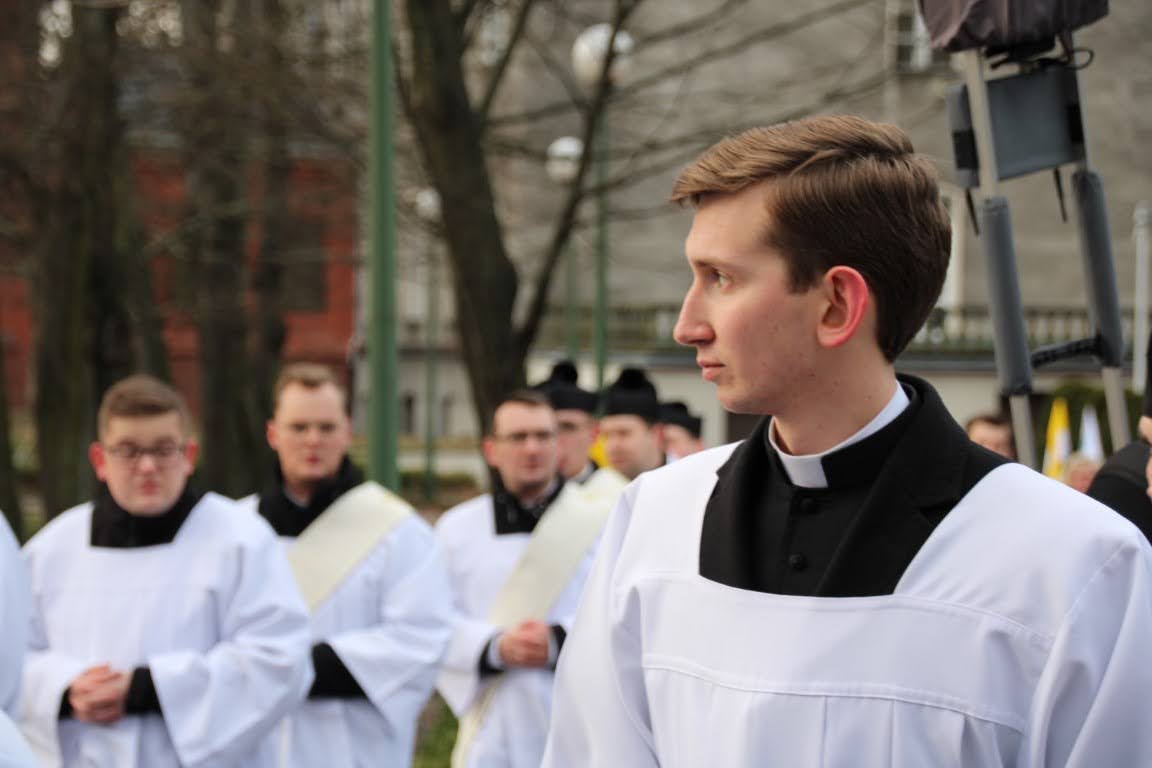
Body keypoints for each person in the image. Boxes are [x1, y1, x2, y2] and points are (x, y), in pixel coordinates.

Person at [542, 115, 1152, 767]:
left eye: (721, 278)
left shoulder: (1074, 563)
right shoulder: (655, 519)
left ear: (837, 304)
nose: (687, 325)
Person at [20, 375, 312, 767]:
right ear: (100, 460)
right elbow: (13, 656)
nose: (147, 466)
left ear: (188, 455)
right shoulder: (51, 551)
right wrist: (64, 688)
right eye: (128, 450)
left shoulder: (241, 541)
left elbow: (281, 659)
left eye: (163, 449)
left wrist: (148, 688)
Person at [240, 363, 455, 768]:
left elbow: (420, 637)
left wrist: (290, 667)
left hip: (353, 748)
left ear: (347, 432)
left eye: (326, 427)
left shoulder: (397, 530)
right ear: (273, 434)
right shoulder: (237, 529)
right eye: (298, 427)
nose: (313, 440)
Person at [435, 390, 622, 768]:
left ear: (559, 445)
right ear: (491, 450)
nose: (532, 448)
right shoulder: (456, 529)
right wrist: (492, 647)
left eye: (543, 435)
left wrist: (558, 640)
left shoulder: (607, 521)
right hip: (490, 729)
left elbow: (624, 612)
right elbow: (430, 620)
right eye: (518, 437)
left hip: (579, 728)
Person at [534, 361, 601, 483]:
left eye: (567, 428)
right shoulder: (516, 492)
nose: (555, 440)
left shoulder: (616, 491)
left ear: (593, 433)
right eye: (543, 432)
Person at [598, 368, 665, 480]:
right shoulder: (595, 487)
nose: (613, 446)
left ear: (656, 434)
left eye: (623, 433)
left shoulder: (684, 482)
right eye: (606, 435)